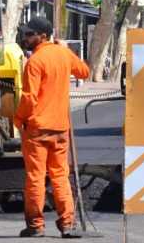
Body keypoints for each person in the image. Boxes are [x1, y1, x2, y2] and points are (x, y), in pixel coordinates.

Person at [13, 17, 89, 239]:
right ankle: (67, 224)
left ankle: (36, 226)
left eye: (30, 34)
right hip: (60, 128)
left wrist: (18, 119)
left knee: (36, 178)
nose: (26, 38)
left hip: (37, 129)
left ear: (43, 36)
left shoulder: (35, 61)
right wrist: (67, 50)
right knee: (60, 176)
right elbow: (84, 71)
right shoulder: (63, 54)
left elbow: (29, 98)